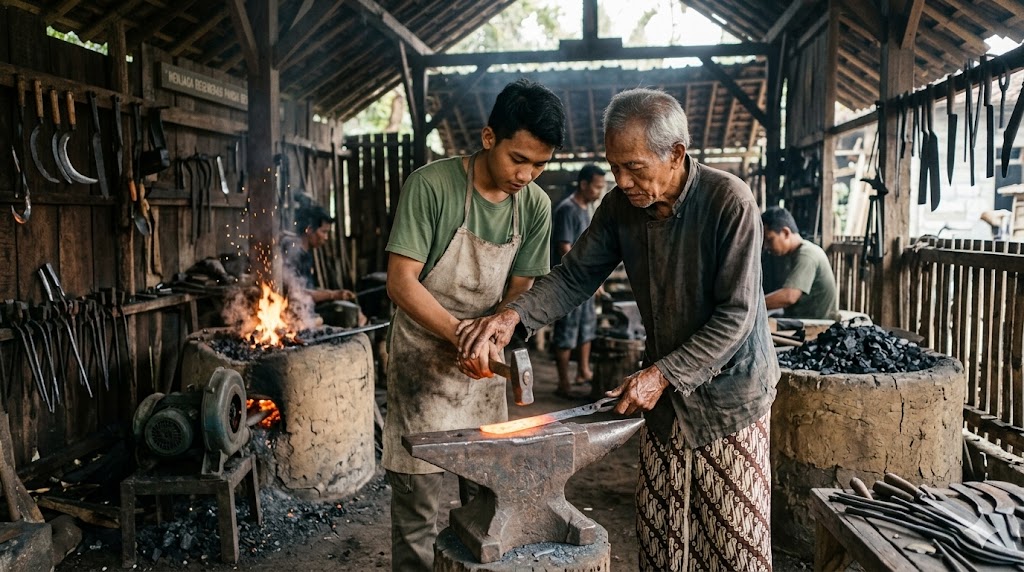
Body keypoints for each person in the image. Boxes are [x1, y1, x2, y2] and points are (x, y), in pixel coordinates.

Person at [456, 88, 779, 572]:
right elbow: (573, 276)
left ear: (675, 155)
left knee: (735, 547)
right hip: (666, 403)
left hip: (731, 401)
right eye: (615, 167)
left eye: (635, 168)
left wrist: (660, 374)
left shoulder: (728, 201)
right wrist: (512, 317)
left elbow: (736, 315)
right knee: (660, 538)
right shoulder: (620, 207)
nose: (622, 181)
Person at [382, 78, 565, 572]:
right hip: (423, 359)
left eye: (540, 164)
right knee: (418, 509)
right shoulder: (432, 185)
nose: (527, 175)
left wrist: (491, 331)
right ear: (489, 138)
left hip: (483, 365)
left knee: (488, 506)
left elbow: (523, 290)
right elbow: (401, 282)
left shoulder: (536, 208)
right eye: (518, 159)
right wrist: (457, 332)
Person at [550, 164, 606, 398]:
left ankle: (583, 372)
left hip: (585, 283)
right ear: (583, 185)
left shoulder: (587, 208)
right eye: (596, 186)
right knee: (567, 333)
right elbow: (565, 247)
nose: (599, 191)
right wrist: (586, 275)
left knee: (587, 329)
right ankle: (563, 383)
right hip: (569, 285)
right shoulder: (567, 209)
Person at [762, 206, 840, 321]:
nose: (766, 247)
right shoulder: (793, 254)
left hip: (816, 324)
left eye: (769, 240)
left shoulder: (807, 254)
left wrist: (753, 305)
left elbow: (789, 296)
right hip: (801, 319)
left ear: (785, 232)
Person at [282, 203, 356, 304]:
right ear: (309, 230)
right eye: (324, 232)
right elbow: (297, 293)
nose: (326, 237)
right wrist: (333, 295)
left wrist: (331, 293)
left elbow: (310, 288)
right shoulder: (293, 255)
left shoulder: (307, 254)